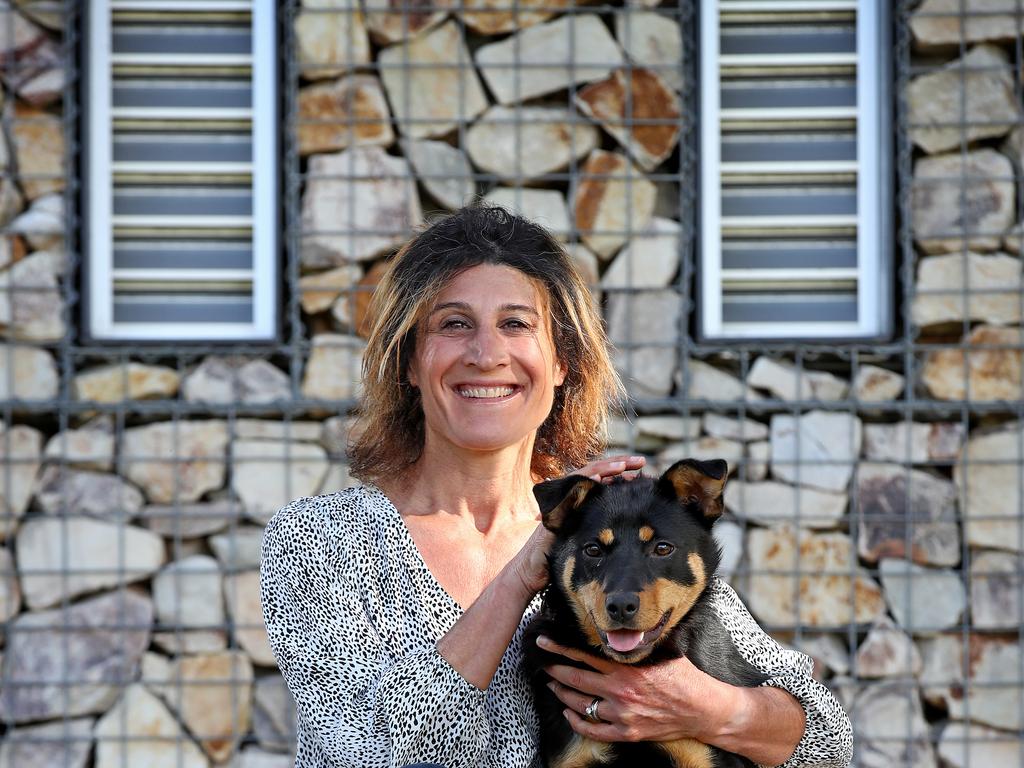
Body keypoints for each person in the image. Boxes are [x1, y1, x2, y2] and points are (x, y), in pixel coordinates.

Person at [260, 205, 853, 768]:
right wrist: (522, 578)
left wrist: (710, 708)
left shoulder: (610, 528)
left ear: (562, 361)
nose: (487, 354)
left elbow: (825, 739)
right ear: (410, 363)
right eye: (453, 324)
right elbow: (362, 753)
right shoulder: (320, 543)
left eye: (516, 324)